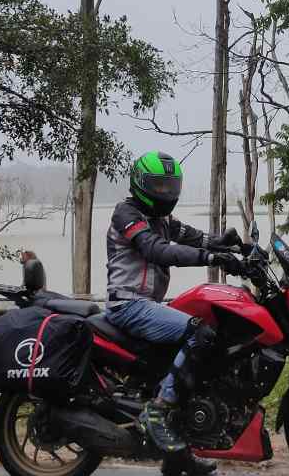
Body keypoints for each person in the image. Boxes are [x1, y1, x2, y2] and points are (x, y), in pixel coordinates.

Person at [105, 150, 245, 475]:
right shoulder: (127, 214)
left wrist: (231, 246)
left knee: (198, 362)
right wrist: (212, 259)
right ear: (141, 184)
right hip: (128, 305)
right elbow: (155, 249)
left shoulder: (162, 220)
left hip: (148, 306)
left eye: (171, 185)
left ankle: (178, 455)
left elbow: (194, 237)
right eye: (159, 185)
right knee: (200, 332)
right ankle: (158, 410)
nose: (166, 192)